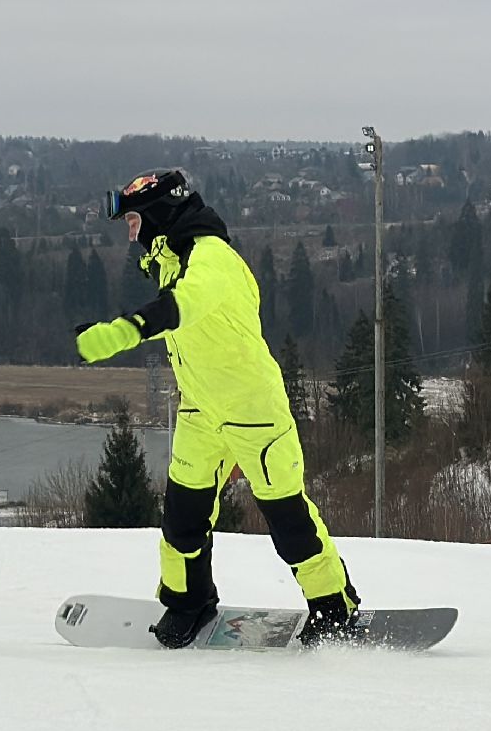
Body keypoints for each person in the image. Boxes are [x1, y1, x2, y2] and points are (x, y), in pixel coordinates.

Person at [74, 169, 360, 648]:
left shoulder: (212, 260)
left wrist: (121, 331)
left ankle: (335, 608)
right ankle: (188, 603)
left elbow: (178, 308)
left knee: (288, 521)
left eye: (133, 219)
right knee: (182, 518)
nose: (129, 230)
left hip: (254, 412)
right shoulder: (172, 258)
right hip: (202, 412)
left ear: (159, 216)